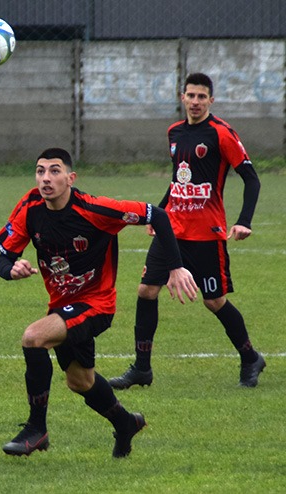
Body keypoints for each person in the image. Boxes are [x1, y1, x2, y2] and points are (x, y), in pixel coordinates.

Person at [0, 147, 198, 458]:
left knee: (34, 338)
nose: (46, 178)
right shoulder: (30, 207)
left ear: (71, 178)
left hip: (96, 305)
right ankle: (126, 422)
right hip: (62, 306)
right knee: (80, 381)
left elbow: (157, 214)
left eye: (55, 171)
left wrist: (175, 266)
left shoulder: (95, 209)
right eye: (40, 171)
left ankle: (37, 430)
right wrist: (12, 269)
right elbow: (3, 259)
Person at [109, 72, 265, 391]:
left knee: (214, 301)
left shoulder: (221, 134)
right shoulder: (174, 133)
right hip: (173, 231)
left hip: (207, 234)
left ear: (211, 100)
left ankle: (250, 358)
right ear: (182, 97)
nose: (195, 102)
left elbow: (251, 178)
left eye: (201, 97)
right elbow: (178, 181)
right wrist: (159, 212)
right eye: (190, 96)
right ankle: (142, 368)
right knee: (146, 291)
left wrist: (244, 221)